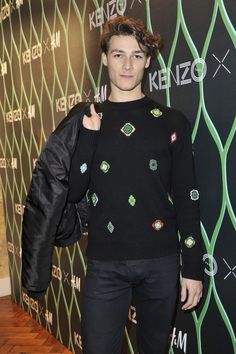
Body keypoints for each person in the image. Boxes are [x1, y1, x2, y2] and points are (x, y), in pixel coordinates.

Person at [67, 16, 204, 354]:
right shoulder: (85, 118)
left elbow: (187, 197)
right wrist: (88, 138)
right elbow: (71, 192)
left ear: (147, 61)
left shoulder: (172, 122)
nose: (127, 65)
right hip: (104, 263)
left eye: (137, 55)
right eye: (118, 55)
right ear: (104, 59)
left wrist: (194, 267)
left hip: (160, 261)